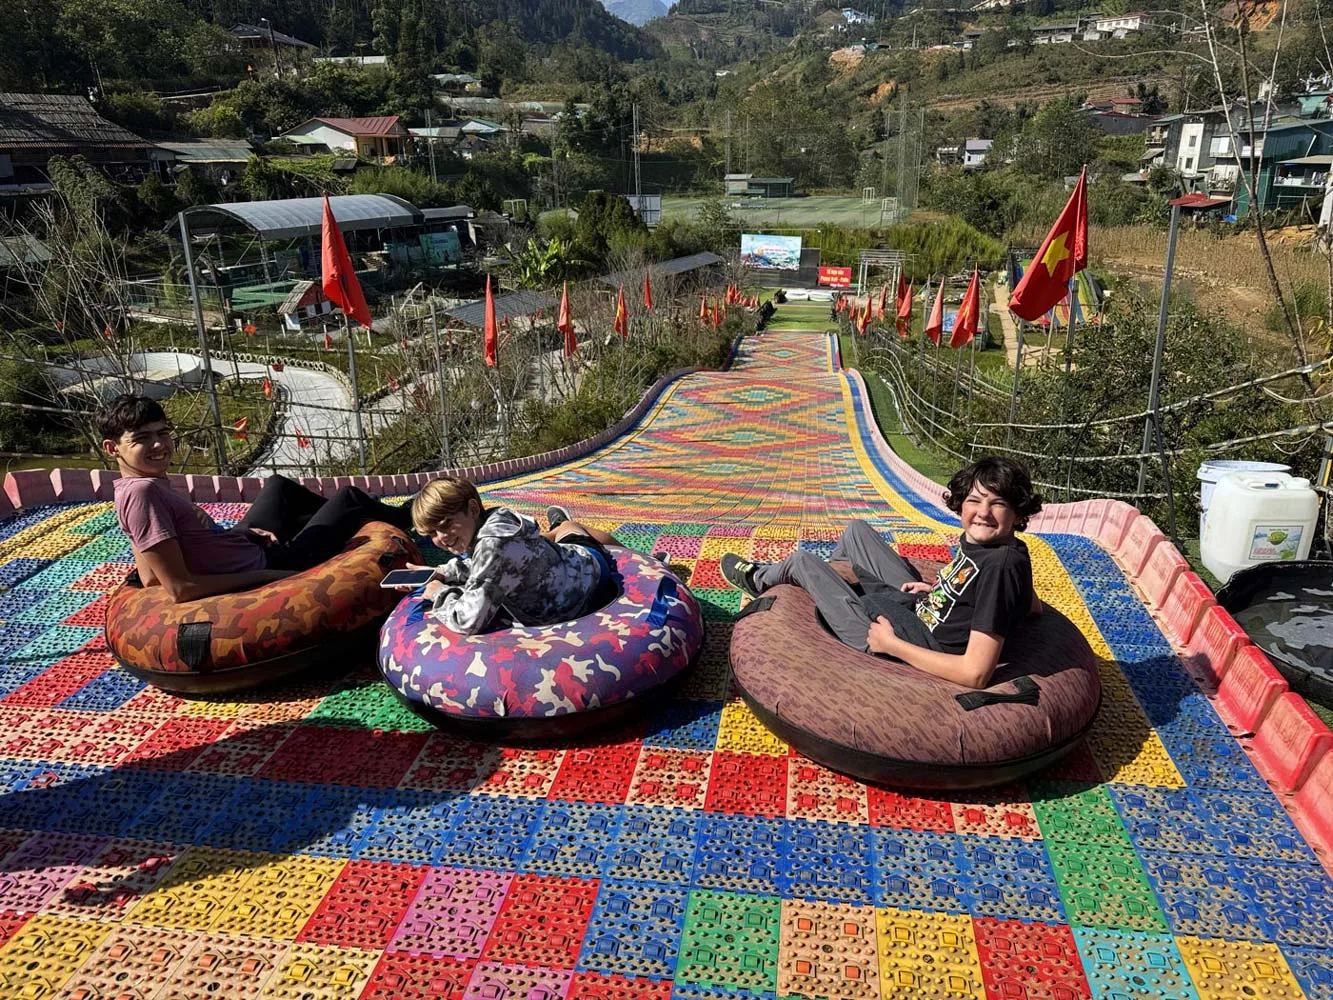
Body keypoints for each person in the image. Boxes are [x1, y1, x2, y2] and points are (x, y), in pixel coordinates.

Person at [720, 456, 1044, 690]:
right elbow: (1032, 607)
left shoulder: (1000, 566)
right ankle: (836, 596)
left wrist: (890, 645)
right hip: (920, 608)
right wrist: (939, 593)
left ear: (1017, 513)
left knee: (803, 562)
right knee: (856, 531)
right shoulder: (1004, 550)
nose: (983, 512)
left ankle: (759, 580)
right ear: (962, 503)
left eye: (998, 503)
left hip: (898, 638)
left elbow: (975, 673)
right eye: (975, 500)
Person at [100, 393, 416, 603]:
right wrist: (269, 576)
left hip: (243, 545)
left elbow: (148, 574)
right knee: (347, 498)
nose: (159, 445)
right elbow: (179, 588)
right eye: (142, 439)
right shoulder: (142, 493)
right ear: (113, 448)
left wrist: (239, 534)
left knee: (278, 486)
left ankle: (329, 527)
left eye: (162, 433)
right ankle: (408, 518)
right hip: (269, 562)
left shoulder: (139, 485)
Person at [404, 477, 621, 635]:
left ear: (472, 509)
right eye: (431, 533)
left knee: (572, 530)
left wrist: (439, 593)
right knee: (557, 535)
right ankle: (557, 525)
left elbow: (467, 621)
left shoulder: (492, 546)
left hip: (585, 572)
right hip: (559, 572)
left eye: (446, 524)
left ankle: (562, 524)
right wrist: (442, 572)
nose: (441, 537)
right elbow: (483, 565)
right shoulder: (493, 523)